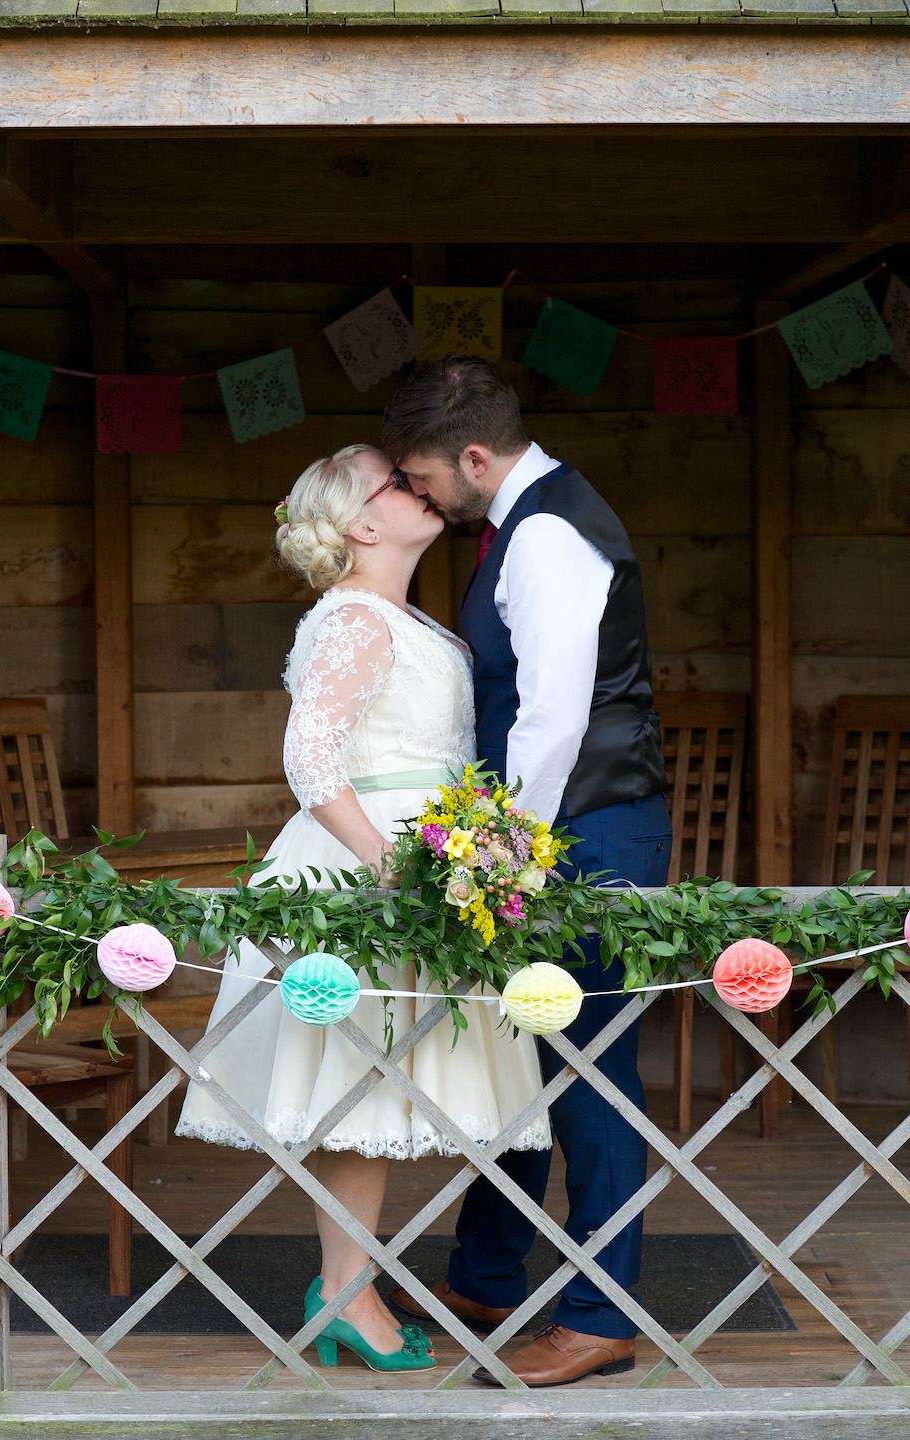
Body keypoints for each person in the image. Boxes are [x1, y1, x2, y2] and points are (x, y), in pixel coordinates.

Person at [176, 442, 552, 1374]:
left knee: (379, 1081)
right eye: (396, 482)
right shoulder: (353, 619)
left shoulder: (396, 616)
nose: (416, 488)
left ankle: (347, 1286)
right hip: (368, 870)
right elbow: (310, 761)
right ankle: (348, 1294)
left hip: (431, 854)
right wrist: (391, 868)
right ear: (362, 523)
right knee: (364, 1082)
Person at [382, 357, 672, 1388]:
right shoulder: (528, 523)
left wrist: (511, 860)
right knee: (522, 1063)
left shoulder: (547, 534)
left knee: (589, 1075)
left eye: (423, 478)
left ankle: (602, 1315)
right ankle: (489, 1271)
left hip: (583, 835)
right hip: (556, 834)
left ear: (471, 456)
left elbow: (554, 717)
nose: (420, 497)